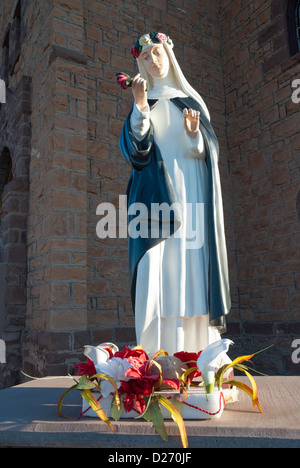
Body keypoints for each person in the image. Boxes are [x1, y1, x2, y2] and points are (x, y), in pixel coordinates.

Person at [120, 32, 231, 355]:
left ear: (168, 55)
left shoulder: (191, 101)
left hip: (192, 190)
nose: (152, 62)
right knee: (156, 266)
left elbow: (207, 153)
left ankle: (199, 354)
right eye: (144, 58)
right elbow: (136, 151)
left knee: (193, 266)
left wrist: (195, 136)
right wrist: (140, 105)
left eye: (157, 53)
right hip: (155, 196)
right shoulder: (144, 101)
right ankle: (157, 354)